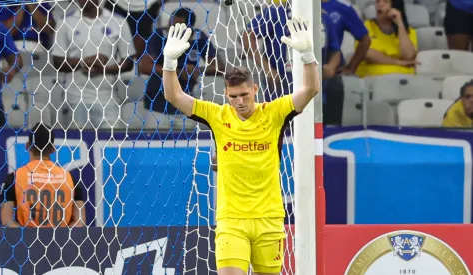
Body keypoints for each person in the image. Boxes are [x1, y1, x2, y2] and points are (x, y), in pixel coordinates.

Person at [162, 18, 320, 275]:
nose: (239, 102)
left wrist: (307, 54)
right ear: (226, 95)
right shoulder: (217, 115)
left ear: (255, 89)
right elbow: (174, 96)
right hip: (231, 221)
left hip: (269, 220)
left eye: (245, 95)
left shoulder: (275, 112)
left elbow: (311, 88)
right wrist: (169, 63)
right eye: (233, 96)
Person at [52, 0, 135, 129]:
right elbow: (57, 61)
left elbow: (128, 62)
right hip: (75, 98)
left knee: (110, 145)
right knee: (79, 145)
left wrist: (104, 70)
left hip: (108, 99)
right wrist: (83, 63)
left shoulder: (118, 21)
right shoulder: (65, 22)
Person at [139, 7, 225, 116]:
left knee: (185, 129)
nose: (172, 29)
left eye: (178, 27)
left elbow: (217, 67)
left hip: (186, 96)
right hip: (158, 96)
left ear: (190, 28)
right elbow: (144, 66)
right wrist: (178, 72)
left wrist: (196, 70)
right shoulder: (159, 36)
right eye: (171, 24)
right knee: (158, 130)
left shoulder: (199, 38)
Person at [0, 123, 86, 228]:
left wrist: (27, 239)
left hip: (26, 242)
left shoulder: (14, 178)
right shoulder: (70, 178)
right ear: (53, 149)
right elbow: (79, 221)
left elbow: (7, 221)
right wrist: (63, 238)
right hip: (61, 242)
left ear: (27, 145)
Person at [355, 0, 419, 78]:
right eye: (378, 1)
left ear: (395, 7)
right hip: (373, 78)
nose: (380, 4)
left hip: (403, 79)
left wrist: (399, 23)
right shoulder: (366, 27)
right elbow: (365, 52)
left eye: (385, 2)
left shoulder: (407, 31)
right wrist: (399, 62)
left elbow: (409, 56)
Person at [321, 0, 371, 74]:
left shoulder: (343, 7)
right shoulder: (300, 4)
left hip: (331, 70)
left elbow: (365, 39)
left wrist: (350, 68)